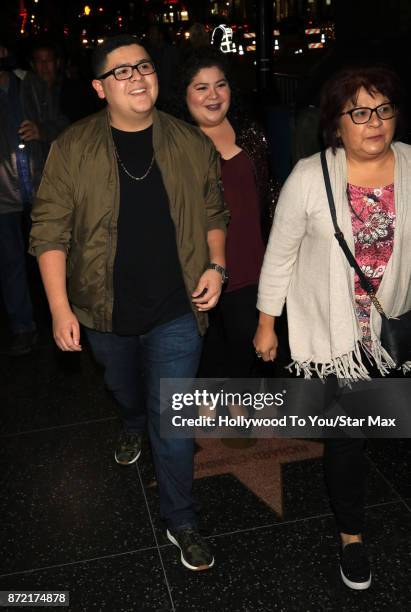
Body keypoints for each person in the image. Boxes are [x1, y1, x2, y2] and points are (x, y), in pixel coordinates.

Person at [29, 34, 228, 571]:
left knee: (175, 419)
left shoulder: (189, 142)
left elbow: (214, 208)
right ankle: (131, 419)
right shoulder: (73, 147)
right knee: (125, 389)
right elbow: (48, 231)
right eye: (121, 72)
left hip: (177, 309)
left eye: (144, 66)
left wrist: (217, 264)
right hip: (103, 310)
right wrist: (59, 308)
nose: (138, 77)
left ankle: (181, 520)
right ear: (99, 87)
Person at [254, 64, 411, 590]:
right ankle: (351, 536)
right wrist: (266, 324)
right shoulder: (309, 176)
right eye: (360, 112)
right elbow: (279, 256)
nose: (375, 122)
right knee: (347, 438)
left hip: (396, 327)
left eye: (384, 109)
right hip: (337, 333)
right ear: (336, 125)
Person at [174, 47, 278, 380]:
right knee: (212, 355)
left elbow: (271, 193)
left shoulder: (251, 133)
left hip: (254, 265)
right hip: (201, 271)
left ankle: (243, 417)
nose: (213, 95)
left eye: (221, 85)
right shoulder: (176, 146)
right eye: (201, 87)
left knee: (250, 350)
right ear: (185, 94)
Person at [0, 41, 67, 355]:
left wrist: (43, 130)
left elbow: (63, 126)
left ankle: (66, 315)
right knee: (11, 262)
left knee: (53, 252)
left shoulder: (32, 86)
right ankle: (23, 328)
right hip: (3, 195)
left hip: (41, 185)